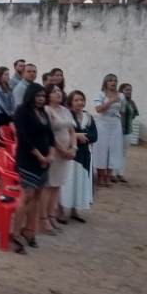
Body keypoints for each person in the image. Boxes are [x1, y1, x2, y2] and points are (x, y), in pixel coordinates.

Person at [10, 83, 54, 254]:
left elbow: (50, 135)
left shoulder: (43, 112)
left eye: (43, 96)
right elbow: (23, 136)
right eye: (38, 96)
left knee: (37, 196)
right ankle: (16, 234)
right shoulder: (22, 111)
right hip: (28, 160)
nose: (41, 99)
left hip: (44, 161)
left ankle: (30, 231)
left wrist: (50, 154)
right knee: (26, 195)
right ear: (31, 95)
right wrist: (39, 155)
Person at [42, 84, 76, 233]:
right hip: (54, 152)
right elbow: (49, 134)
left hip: (66, 153)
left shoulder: (65, 110)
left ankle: (52, 215)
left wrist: (73, 148)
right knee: (49, 186)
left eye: (59, 90)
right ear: (48, 95)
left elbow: (72, 130)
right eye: (54, 91)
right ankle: (44, 218)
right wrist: (62, 150)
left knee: (57, 186)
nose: (58, 93)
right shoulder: (47, 110)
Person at [61, 90, 96, 223]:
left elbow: (94, 136)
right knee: (69, 183)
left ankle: (76, 210)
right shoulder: (67, 116)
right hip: (72, 154)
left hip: (85, 154)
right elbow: (63, 134)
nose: (80, 102)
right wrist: (77, 136)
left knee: (80, 182)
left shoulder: (89, 117)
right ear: (70, 102)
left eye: (81, 99)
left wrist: (82, 135)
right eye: (76, 100)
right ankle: (65, 211)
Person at [92, 74, 125, 187]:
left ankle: (108, 177)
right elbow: (98, 109)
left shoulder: (121, 95)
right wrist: (111, 101)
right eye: (110, 80)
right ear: (105, 82)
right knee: (102, 149)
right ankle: (100, 176)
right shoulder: (100, 94)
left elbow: (122, 110)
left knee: (114, 149)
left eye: (115, 80)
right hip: (102, 123)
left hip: (115, 123)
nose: (113, 82)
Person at [117, 83, 139, 183]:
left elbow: (134, 114)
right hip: (117, 130)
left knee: (124, 153)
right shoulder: (118, 101)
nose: (129, 92)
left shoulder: (132, 103)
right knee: (116, 152)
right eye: (127, 90)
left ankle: (120, 174)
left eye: (130, 90)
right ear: (121, 91)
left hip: (128, 131)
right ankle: (113, 173)